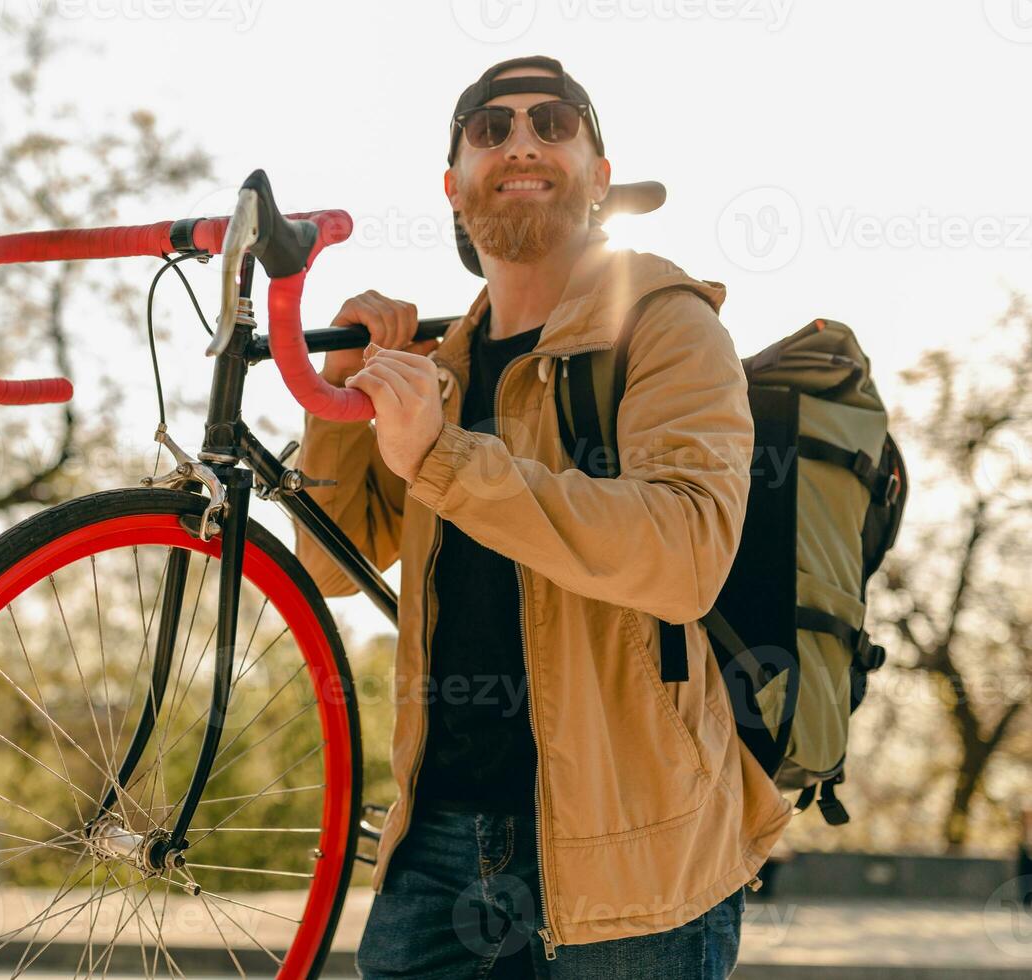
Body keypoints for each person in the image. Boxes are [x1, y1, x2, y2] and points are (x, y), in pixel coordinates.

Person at [293, 55, 795, 978]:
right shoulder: (439, 367)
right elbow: (324, 568)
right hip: (433, 852)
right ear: (454, 186)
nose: (521, 140)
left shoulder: (665, 322)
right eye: (490, 128)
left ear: (599, 177)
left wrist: (442, 460)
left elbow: (683, 555)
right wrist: (335, 407)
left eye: (554, 122)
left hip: (635, 860)